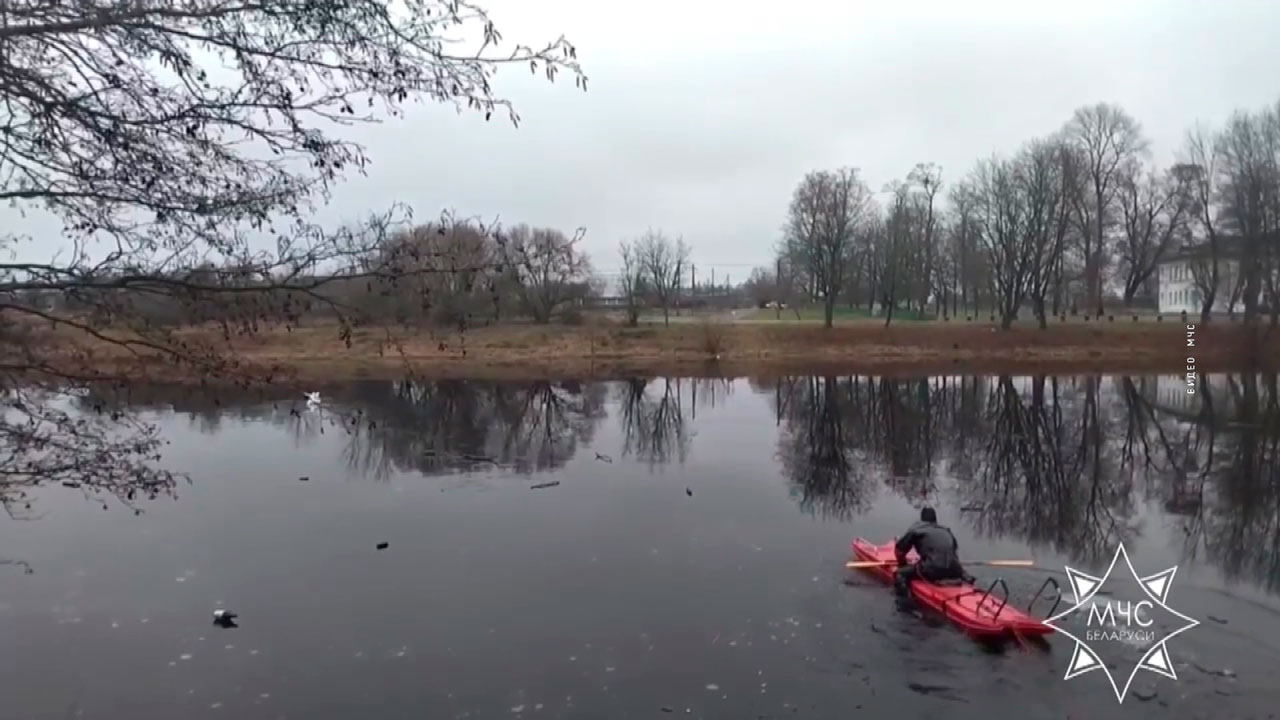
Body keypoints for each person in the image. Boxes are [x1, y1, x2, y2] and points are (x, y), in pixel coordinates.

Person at [893, 507, 974, 598]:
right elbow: (953, 552)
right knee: (957, 568)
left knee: (900, 574)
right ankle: (967, 578)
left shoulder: (916, 529)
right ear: (935, 519)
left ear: (922, 519)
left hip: (932, 569)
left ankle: (906, 604)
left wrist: (903, 564)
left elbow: (899, 551)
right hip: (955, 569)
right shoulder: (946, 530)